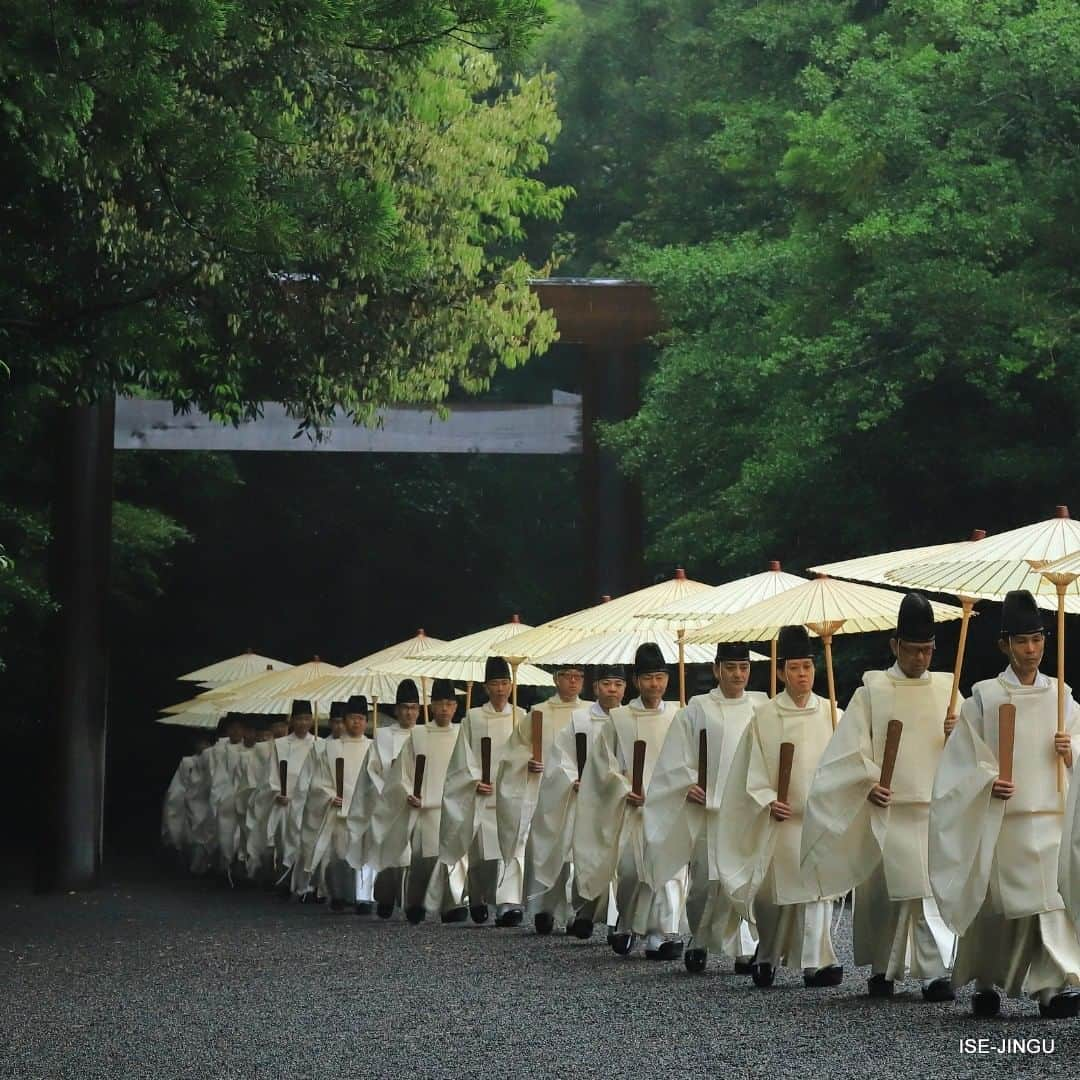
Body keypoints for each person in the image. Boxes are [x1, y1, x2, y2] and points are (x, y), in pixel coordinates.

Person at [930, 589, 1080, 1017]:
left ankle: (1054, 987)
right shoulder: (984, 697)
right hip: (1004, 820)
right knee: (998, 907)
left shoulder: (1061, 695)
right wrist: (987, 782)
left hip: (1051, 814)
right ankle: (986, 980)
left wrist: (1072, 751)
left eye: (1037, 640)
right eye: (1021, 641)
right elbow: (961, 762)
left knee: (1052, 903)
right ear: (1004, 645)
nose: (1030, 650)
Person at [801, 592, 956, 1000]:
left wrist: (960, 735)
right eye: (912, 650)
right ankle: (909, 969)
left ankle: (917, 970)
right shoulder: (872, 689)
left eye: (927, 650)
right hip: (888, 807)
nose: (921, 658)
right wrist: (868, 781)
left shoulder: (950, 690)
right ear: (895, 646)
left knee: (921, 892)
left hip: (933, 808)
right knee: (899, 893)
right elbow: (847, 752)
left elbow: (973, 750)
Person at [716, 625, 843, 988]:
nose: (803, 675)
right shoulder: (765, 716)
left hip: (819, 817)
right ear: (780, 672)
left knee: (821, 890)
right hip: (781, 817)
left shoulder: (833, 712)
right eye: (795, 668)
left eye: (807, 666)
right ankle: (768, 953)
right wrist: (768, 798)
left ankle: (819, 961)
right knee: (775, 894)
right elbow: (749, 769)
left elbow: (852, 759)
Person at [643, 643, 768, 973]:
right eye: (731, 667)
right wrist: (686, 783)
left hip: (745, 809)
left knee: (741, 877)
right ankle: (699, 940)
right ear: (717, 669)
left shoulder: (762, 706)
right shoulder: (697, 709)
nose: (738, 674)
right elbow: (674, 756)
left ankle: (746, 947)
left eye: (744, 667)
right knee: (704, 883)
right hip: (707, 808)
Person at [574, 642, 684, 959]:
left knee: (669, 870)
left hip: (670, 803)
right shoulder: (619, 719)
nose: (655, 684)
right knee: (633, 871)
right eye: (648, 678)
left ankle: (661, 934)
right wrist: (624, 788)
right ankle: (625, 920)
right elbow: (601, 767)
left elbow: (689, 758)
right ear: (636, 681)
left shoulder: (679, 714)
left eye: (661, 677)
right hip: (633, 805)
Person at [527, 664, 626, 938]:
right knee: (581, 853)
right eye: (607, 684)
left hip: (618, 799)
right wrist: (572, 780)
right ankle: (580, 908)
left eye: (618, 684)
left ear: (625, 688)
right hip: (584, 797)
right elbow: (561, 757)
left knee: (616, 857)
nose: (612, 690)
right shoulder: (580, 720)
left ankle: (607, 917)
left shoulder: (629, 719)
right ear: (596, 688)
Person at [364, 678, 469, 924]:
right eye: (440, 704)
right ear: (431, 706)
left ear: (455, 707)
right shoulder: (419, 735)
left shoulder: (462, 734)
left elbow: (468, 768)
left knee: (454, 856)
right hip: (424, 807)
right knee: (423, 859)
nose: (445, 709)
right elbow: (403, 771)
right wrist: (409, 792)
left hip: (453, 806)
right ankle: (415, 902)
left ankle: (452, 904)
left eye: (450, 704)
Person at [498, 662, 587, 934]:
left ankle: (577, 912)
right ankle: (544, 907)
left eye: (578, 677)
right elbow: (514, 750)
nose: (573, 682)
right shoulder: (539, 713)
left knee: (577, 851)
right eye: (567, 676)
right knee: (546, 848)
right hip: (544, 791)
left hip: (580, 790)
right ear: (556, 679)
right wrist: (527, 761)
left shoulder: (590, 712)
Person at [441, 655, 528, 926]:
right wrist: (472, 779)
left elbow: (529, 750)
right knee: (481, 854)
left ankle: (509, 904)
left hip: (513, 792)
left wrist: (533, 763)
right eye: (495, 684)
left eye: (505, 683)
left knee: (513, 848)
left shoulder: (521, 715)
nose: (501, 689)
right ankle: (477, 896)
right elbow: (461, 757)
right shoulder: (473, 717)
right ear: (486, 687)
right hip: (482, 791)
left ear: (511, 685)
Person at [298, 695, 373, 912]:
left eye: (360, 718)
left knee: (364, 853)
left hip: (364, 810)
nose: (356, 723)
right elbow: (318, 780)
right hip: (339, 809)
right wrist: (330, 795)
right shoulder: (330, 748)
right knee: (339, 855)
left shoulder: (373, 747)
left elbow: (380, 778)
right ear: (344, 719)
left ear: (366, 722)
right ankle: (339, 894)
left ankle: (364, 898)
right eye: (352, 718)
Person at [365, 679, 422, 918]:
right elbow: (372, 770)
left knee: (414, 854)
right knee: (391, 852)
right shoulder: (382, 736)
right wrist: (389, 793)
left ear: (419, 710)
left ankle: (411, 903)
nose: (409, 712)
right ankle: (386, 897)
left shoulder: (425, 735)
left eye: (414, 708)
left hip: (418, 802)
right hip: (390, 802)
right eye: (405, 707)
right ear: (397, 709)